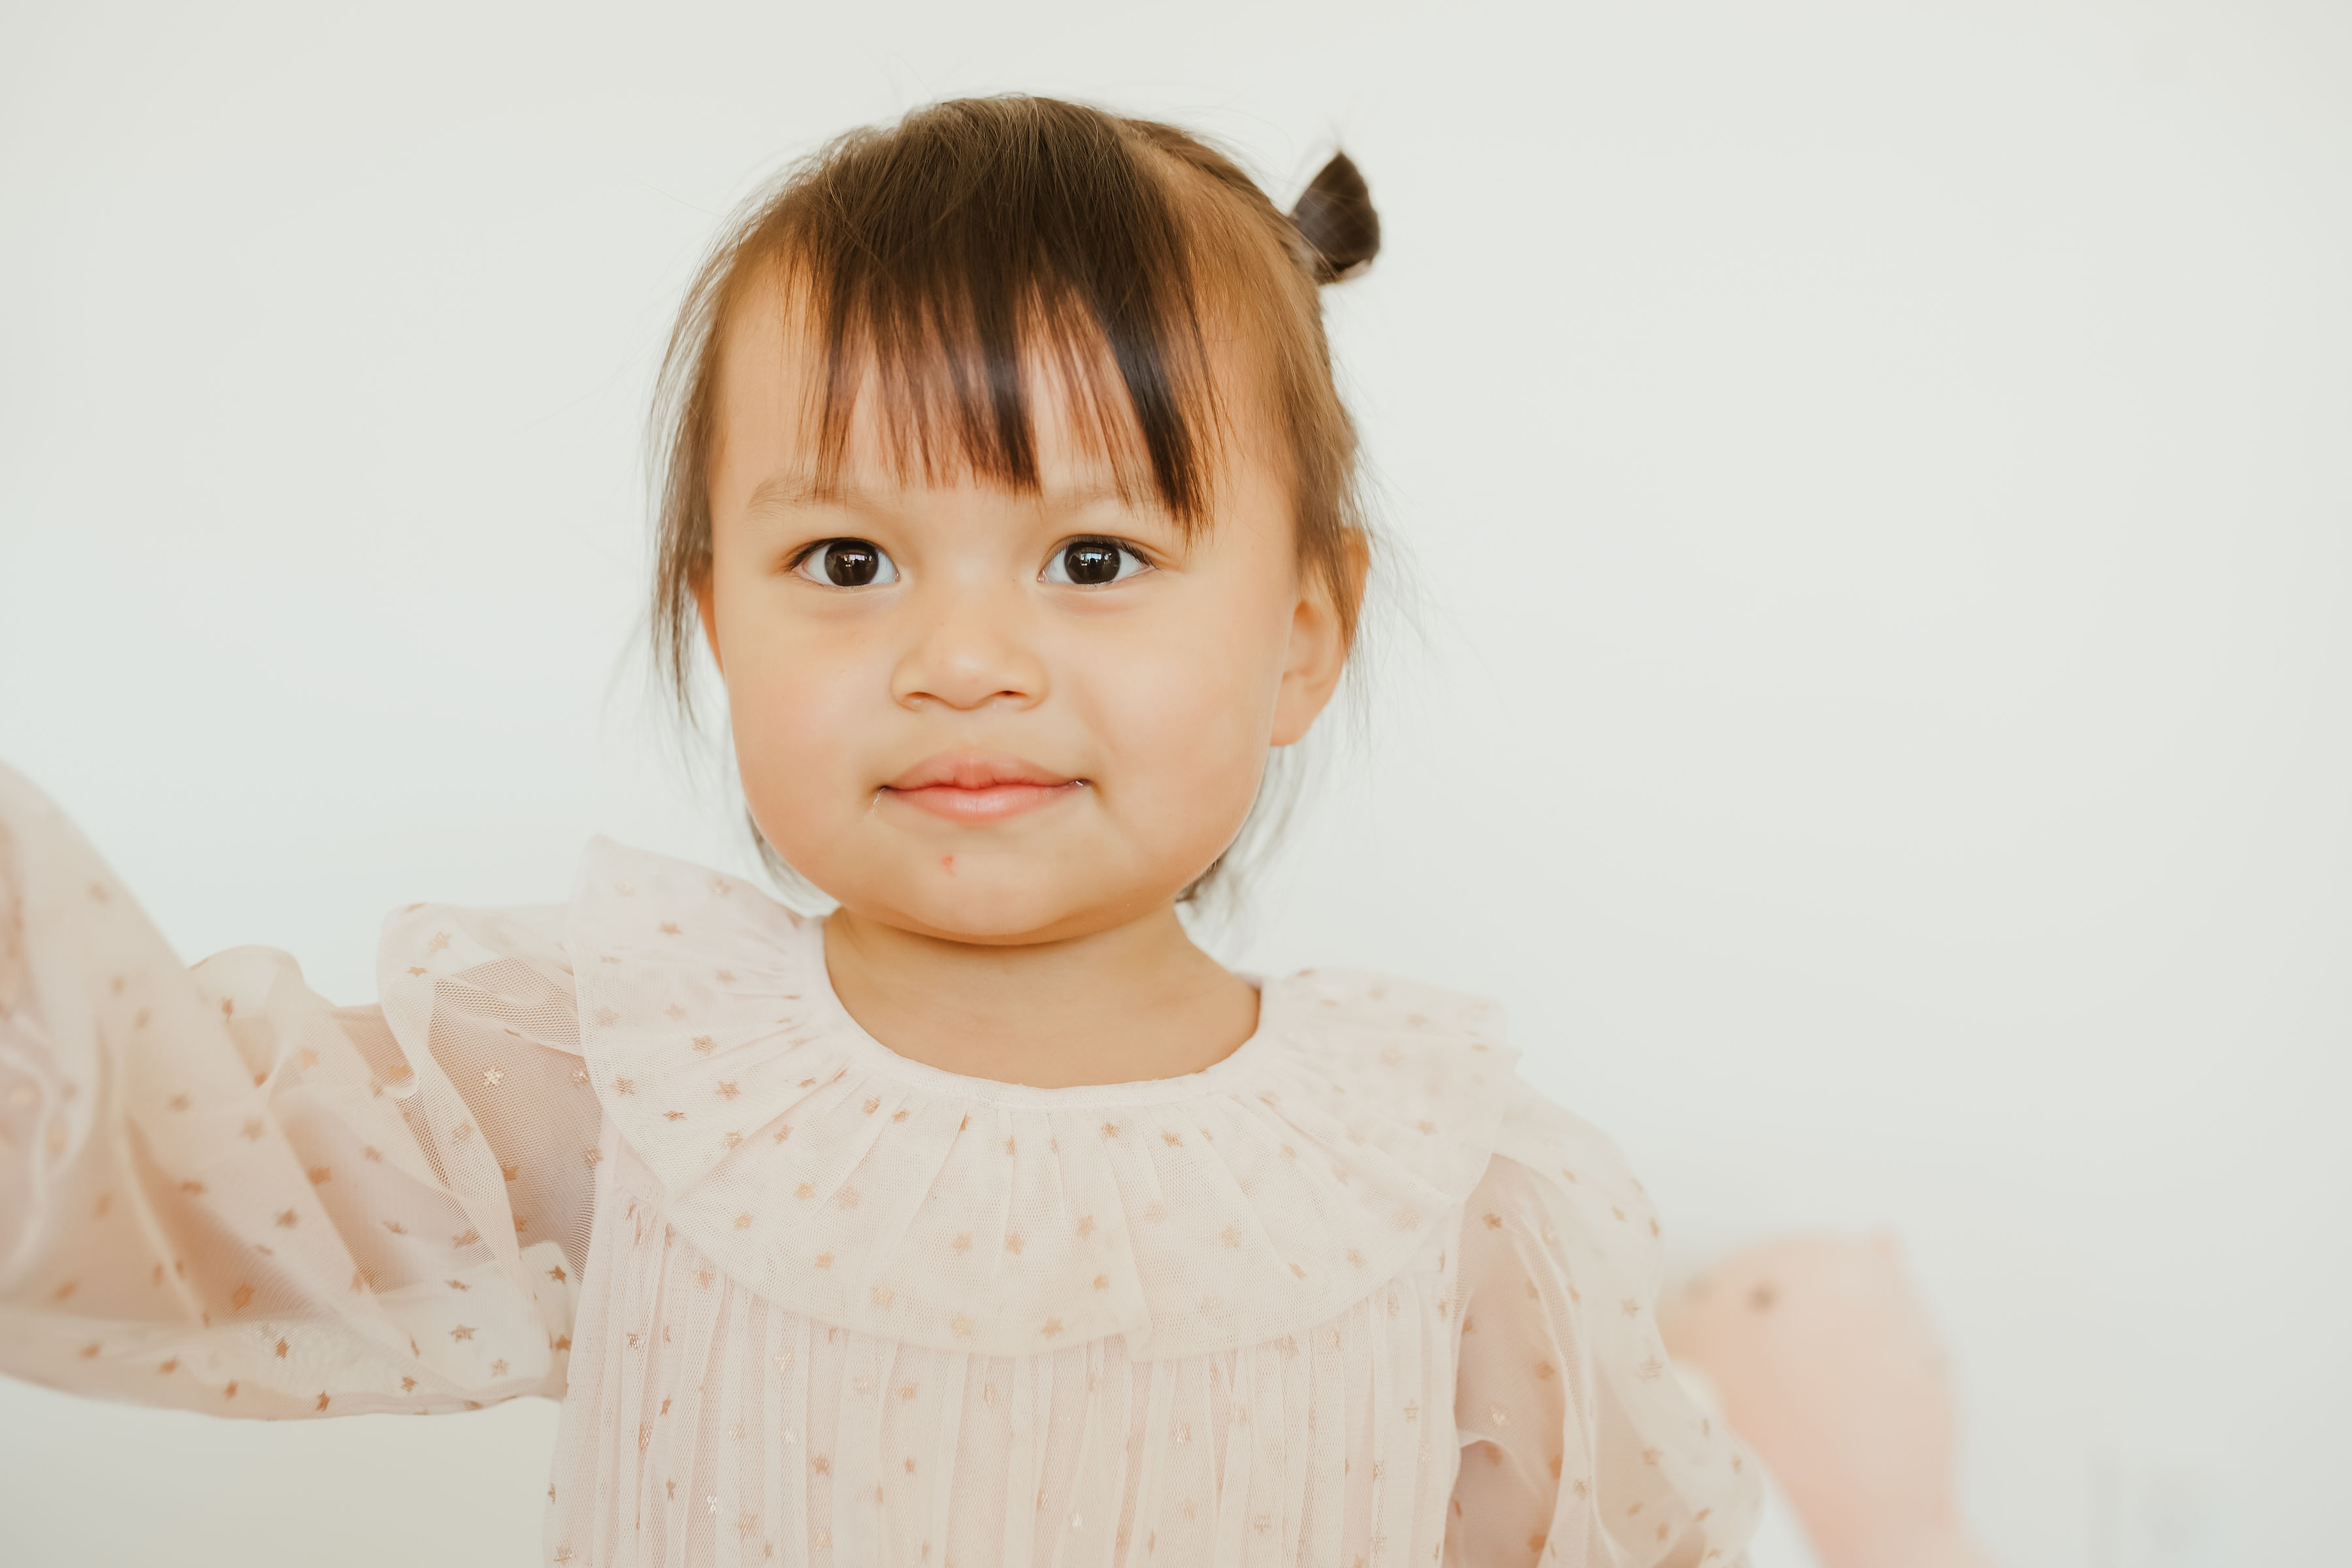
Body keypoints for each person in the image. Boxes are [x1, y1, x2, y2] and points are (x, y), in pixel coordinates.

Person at [0, 95, 1761, 1567]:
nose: (963, 661)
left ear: (1305, 632)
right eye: (846, 562)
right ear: (718, 622)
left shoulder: (1449, 1191)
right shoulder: (619, 1078)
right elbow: (132, 1166)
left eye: (1094, 558)